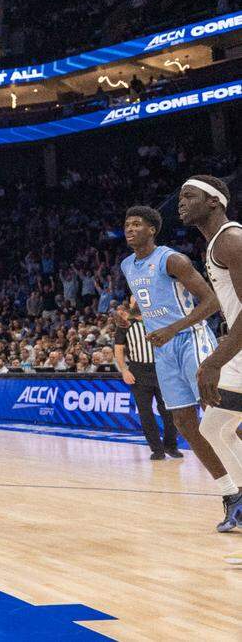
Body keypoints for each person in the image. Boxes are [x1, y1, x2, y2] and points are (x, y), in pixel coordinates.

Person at [118, 204, 241, 532]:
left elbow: (212, 302)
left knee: (219, 418)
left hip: (192, 340)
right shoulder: (127, 265)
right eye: (127, 225)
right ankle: (231, 495)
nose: (130, 229)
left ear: (152, 230)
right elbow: (156, 307)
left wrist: (173, 328)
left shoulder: (173, 259)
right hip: (164, 350)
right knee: (185, 422)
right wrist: (130, 317)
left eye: (136, 224)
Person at [176, 176, 242, 540]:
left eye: (190, 196)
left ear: (214, 202)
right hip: (239, 349)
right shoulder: (218, 242)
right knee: (214, 426)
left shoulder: (231, 240)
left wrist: (214, 361)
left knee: (215, 424)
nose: (181, 203)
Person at [111, 303, 180, 460]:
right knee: (145, 413)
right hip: (138, 371)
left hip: (162, 369)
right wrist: (124, 370)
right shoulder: (125, 325)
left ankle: (171, 445)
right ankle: (157, 449)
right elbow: (119, 350)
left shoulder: (158, 320)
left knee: (169, 411)